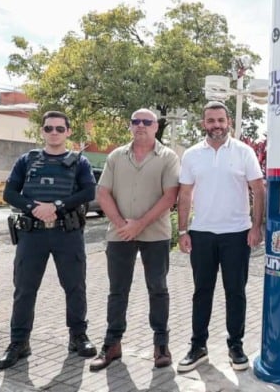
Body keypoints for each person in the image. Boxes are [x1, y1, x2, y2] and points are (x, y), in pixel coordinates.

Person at [0, 111, 97, 371]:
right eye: (49, 128)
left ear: (68, 132)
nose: (54, 133)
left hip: (67, 234)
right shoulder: (27, 160)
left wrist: (58, 206)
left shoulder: (79, 162)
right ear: (42, 131)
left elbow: (89, 191)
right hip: (33, 234)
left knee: (75, 287)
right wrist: (33, 207)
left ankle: (78, 337)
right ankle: (19, 343)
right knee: (24, 290)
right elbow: (9, 193)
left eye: (59, 129)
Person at [177, 101, 265, 373]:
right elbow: (185, 194)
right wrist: (182, 230)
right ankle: (198, 346)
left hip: (236, 234)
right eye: (211, 120)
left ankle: (235, 346)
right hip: (202, 233)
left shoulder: (243, 152)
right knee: (202, 292)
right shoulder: (192, 155)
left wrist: (255, 226)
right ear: (204, 123)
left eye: (221, 120)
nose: (216, 125)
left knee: (235, 292)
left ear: (229, 122)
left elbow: (258, 190)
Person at [89, 109, 181, 371]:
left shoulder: (168, 157)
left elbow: (169, 196)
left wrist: (139, 224)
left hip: (156, 235)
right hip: (120, 235)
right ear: (130, 126)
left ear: (156, 127)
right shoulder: (116, 156)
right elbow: (103, 192)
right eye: (135, 122)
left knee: (158, 288)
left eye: (146, 122)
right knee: (117, 291)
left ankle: (161, 345)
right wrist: (121, 225)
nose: (140, 125)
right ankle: (112, 344)